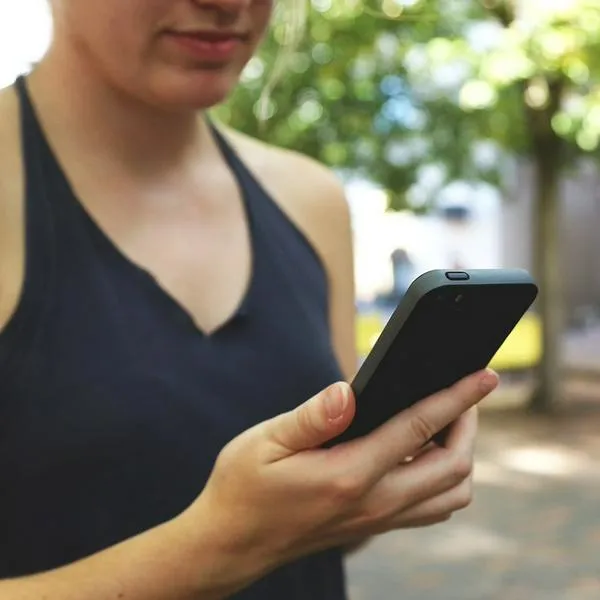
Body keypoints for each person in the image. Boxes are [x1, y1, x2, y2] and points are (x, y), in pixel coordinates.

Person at [0, 1, 499, 598]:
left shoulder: (309, 200)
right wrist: (219, 545)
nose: (228, 4)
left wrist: (369, 481)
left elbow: (325, 533)